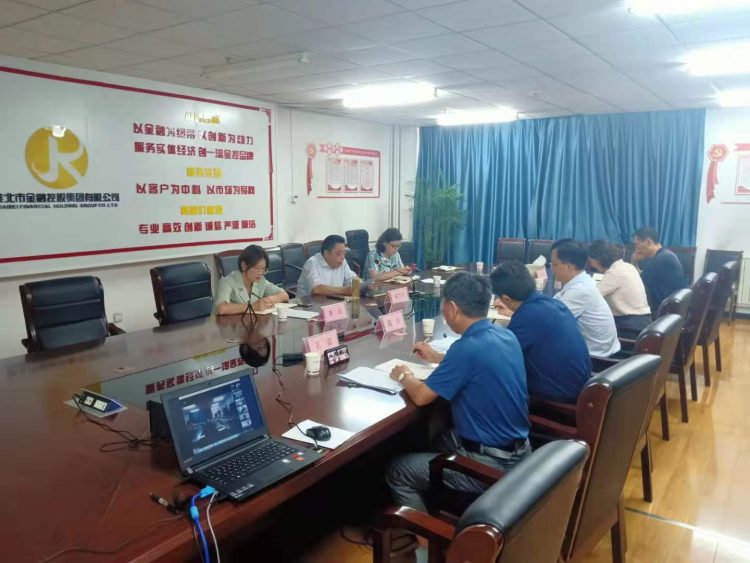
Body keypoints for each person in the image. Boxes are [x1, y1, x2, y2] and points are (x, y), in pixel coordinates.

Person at [386, 272, 530, 513]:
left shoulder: (466, 348)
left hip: (492, 464)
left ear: (453, 308)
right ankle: (440, 499)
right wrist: (437, 357)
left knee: (398, 470)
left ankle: (421, 533)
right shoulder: (506, 334)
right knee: (437, 438)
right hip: (521, 452)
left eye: (443, 304)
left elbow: (421, 397)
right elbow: (477, 363)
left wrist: (404, 375)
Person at [490, 262, 591, 403]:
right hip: (580, 387)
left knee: (488, 379)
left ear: (506, 298)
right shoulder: (553, 303)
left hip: (557, 399)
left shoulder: (527, 316)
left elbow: (500, 357)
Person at [551, 239, 620, 357]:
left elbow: (552, 322)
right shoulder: (582, 280)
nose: (552, 268)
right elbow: (555, 302)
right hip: (597, 350)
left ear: (568, 267)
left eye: (554, 264)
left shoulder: (580, 290)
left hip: (596, 359)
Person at [588, 239, 653, 334]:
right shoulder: (627, 266)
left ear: (598, 260)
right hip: (643, 322)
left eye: (591, 261)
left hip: (630, 328)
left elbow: (591, 297)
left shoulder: (614, 273)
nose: (591, 264)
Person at [214, 245, 289, 315]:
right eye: (257, 268)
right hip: (226, 324)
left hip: (251, 322)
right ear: (244, 265)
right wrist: (252, 306)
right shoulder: (227, 282)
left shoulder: (260, 280)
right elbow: (221, 308)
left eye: (263, 269)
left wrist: (269, 300)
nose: (260, 273)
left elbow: (284, 295)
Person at [631, 227, 687, 314]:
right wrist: (635, 264)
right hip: (674, 310)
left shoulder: (658, 261)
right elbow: (642, 277)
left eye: (637, 245)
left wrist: (633, 262)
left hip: (662, 313)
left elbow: (636, 283)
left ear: (648, 242)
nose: (636, 250)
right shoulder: (666, 255)